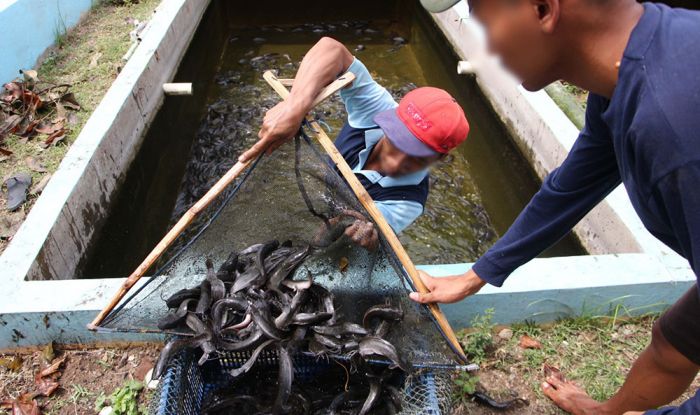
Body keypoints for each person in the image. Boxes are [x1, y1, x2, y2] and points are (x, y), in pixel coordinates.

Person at [410, 0, 700, 414]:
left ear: (543, 9)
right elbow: (572, 185)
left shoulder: (674, 130)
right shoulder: (627, 71)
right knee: (673, 344)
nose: (487, 48)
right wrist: (478, 274)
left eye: (486, 23)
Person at [239, 37, 470, 249]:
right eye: (397, 141)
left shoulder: (406, 202)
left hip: (344, 214)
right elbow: (332, 50)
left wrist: (370, 237)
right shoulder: (378, 109)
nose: (396, 161)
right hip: (328, 187)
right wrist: (295, 107)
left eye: (416, 156)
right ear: (392, 119)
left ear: (440, 158)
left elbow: (335, 235)